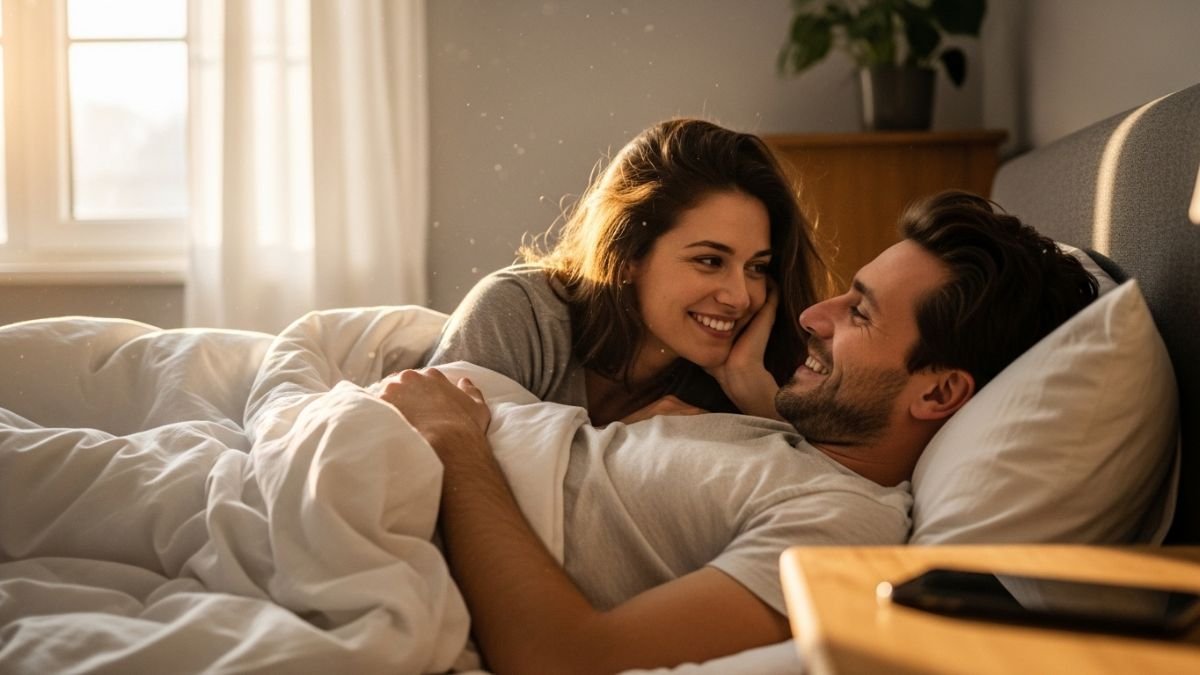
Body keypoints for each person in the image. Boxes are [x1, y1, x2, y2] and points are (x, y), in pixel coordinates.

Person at [382, 190, 1099, 673]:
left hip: (417, 487)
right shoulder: (789, 444)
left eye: (860, 315)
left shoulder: (840, 527)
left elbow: (564, 656)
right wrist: (767, 403)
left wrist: (457, 444)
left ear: (940, 390)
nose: (814, 315)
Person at [423, 117, 830, 424]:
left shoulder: (732, 385)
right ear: (629, 254)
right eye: (710, 261)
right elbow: (441, 452)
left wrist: (754, 393)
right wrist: (613, 442)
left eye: (757, 267)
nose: (740, 297)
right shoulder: (519, 314)